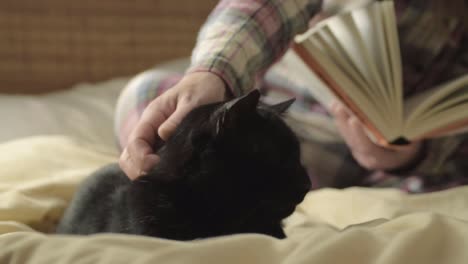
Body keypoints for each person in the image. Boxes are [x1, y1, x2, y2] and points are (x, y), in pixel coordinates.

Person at [115, 0, 468, 193]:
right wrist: (213, 72)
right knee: (146, 94)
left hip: (411, 166)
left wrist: (412, 157)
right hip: (281, 111)